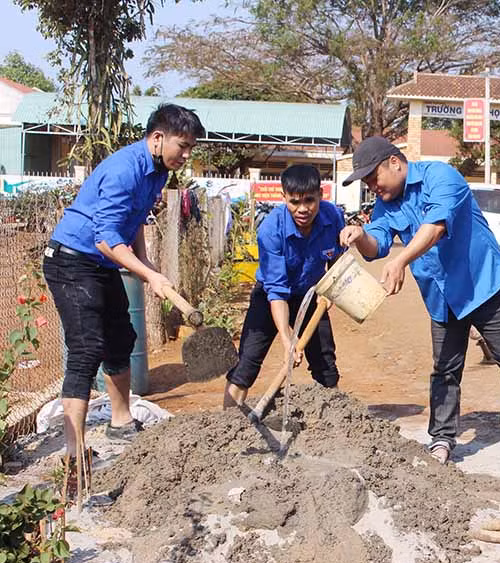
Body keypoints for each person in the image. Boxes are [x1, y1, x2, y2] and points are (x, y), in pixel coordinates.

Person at [340, 136, 500, 464]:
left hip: (483, 285)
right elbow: (378, 246)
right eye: (366, 182)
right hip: (441, 297)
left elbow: (436, 228)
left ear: (394, 162)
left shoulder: (441, 177)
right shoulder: (386, 204)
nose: (372, 185)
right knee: (444, 368)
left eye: (373, 177)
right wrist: (361, 237)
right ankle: (442, 439)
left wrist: (402, 261)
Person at [44, 104, 204, 493]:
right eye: (182, 146)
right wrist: (149, 274)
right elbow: (105, 237)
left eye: (190, 149)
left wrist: (145, 264)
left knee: (121, 340)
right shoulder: (123, 170)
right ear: (157, 138)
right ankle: (74, 451)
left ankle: (120, 421)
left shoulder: (158, 173)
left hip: (100, 264)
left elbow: (131, 224)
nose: (185, 155)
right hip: (71, 261)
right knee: (86, 349)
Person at [224, 165, 342, 409]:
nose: (303, 209)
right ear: (283, 197)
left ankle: (336, 420)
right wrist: (288, 342)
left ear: (320, 194)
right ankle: (228, 423)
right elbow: (277, 292)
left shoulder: (333, 218)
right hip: (271, 296)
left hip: (311, 296)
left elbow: (338, 259)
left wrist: (331, 287)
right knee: (247, 362)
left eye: (309, 200)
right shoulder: (271, 230)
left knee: (325, 363)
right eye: (294, 201)